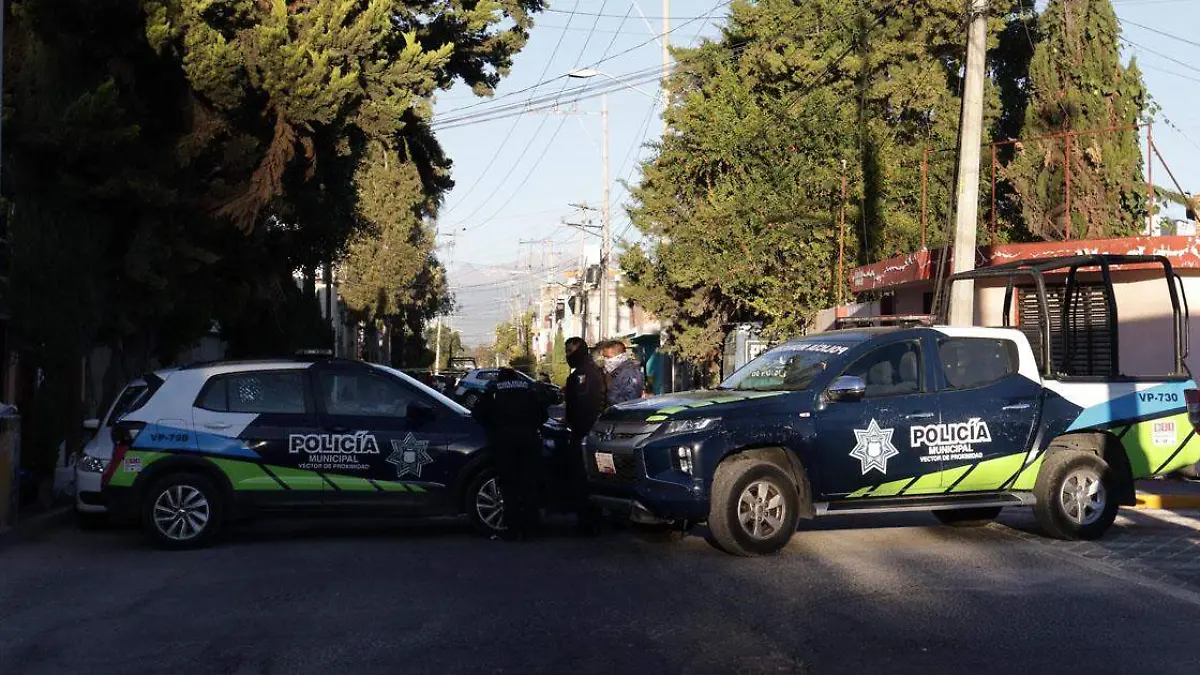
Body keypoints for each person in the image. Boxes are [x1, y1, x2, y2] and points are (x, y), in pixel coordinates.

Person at [471, 368, 549, 540]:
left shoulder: (494, 389)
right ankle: (530, 529)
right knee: (529, 484)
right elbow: (543, 415)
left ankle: (512, 529)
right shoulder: (529, 389)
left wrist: (492, 427)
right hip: (529, 440)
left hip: (503, 441)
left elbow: (477, 413)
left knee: (509, 485)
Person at [563, 337, 607, 534]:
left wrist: (577, 429)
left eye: (569, 351)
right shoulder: (589, 371)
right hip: (586, 431)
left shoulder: (584, 375)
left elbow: (585, 406)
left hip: (585, 433)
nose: (567, 356)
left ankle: (588, 523)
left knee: (584, 478)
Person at [600, 340, 646, 407]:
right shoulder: (613, 372)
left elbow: (631, 401)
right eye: (604, 357)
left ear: (620, 357)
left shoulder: (630, 373)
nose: (606, 360)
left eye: (608, 357)